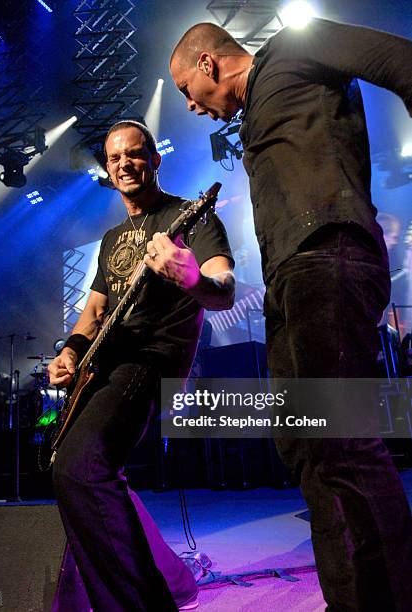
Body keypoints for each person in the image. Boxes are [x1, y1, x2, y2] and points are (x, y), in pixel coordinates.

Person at [170, 18, 412, 612]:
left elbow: (400, 59)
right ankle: (351, 597)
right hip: (291, 278)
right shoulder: (255, 116)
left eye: (184, 90)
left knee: (340, 437)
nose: (190, 106)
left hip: (330, 250)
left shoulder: (296, 46)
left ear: (207, 64)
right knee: (304, 445)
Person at [48, 119, 235, 611]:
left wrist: (190, 276)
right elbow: (94, 310)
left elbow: (224, 289)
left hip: (150, 359)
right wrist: (70, 350)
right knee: (78, 470)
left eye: (134, 154)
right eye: (114, 158)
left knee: (79, 466)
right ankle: (172, 581)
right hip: (106, 362)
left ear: (155, 159)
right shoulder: (111, 239)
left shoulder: (190, 217)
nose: (124, 164)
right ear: (107, 170)